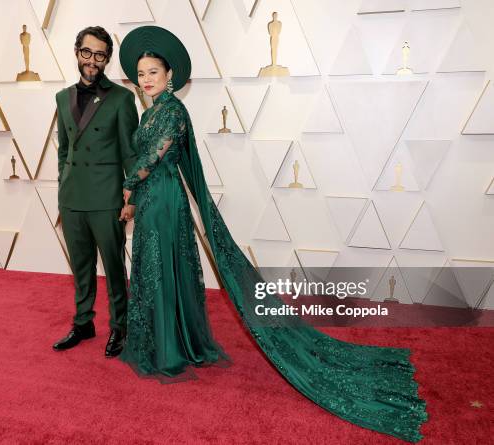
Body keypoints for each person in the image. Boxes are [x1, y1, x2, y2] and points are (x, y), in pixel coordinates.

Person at [118, 26, 428, 442]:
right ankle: (165, 341)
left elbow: (152, 157)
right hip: (153, 201)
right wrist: (136, 193)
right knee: (155, 269)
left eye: (153, 71)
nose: (147, 78)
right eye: (141, 73)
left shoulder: (172, 111)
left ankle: (172, 349)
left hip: (166, 202)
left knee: (162, 267)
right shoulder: (151, 111)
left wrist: (126, 185)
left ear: (169, 73)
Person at [53, 26, 138, 358]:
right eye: (87, 52)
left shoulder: (121, 98)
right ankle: (83, 322)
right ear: (77, 52)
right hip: (72, 198)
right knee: (81, 265)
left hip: (106, 199)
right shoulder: (62, 98)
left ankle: (120, 326)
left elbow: (130, 152)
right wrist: (63, 188)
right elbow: (63, 151)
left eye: (100, 55)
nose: (92, 60)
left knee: (114, 266)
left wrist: (131, 196)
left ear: (107, 59)